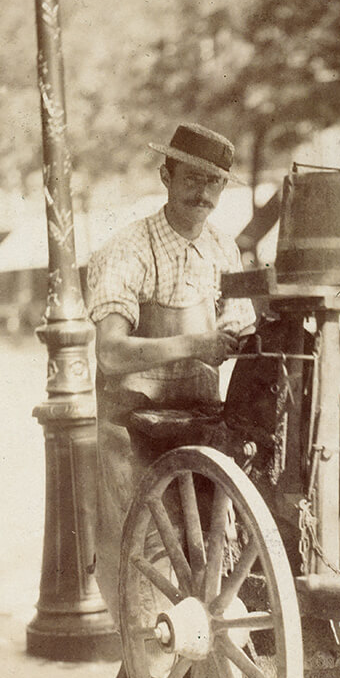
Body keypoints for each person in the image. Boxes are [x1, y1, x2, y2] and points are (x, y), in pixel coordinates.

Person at [86, 123, 256, 620]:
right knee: (155, 551)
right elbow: (111, 354)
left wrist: (241, 337)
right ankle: (158, 659)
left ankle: (206, 648)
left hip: (200, 421)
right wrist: (192, 344)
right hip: (135, 429)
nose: (203, 194)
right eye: (192, 179)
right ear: (166, 175)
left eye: (215, 183)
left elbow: (238, 331)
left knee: (218, 539)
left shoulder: (225, 250)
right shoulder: (128, 249)